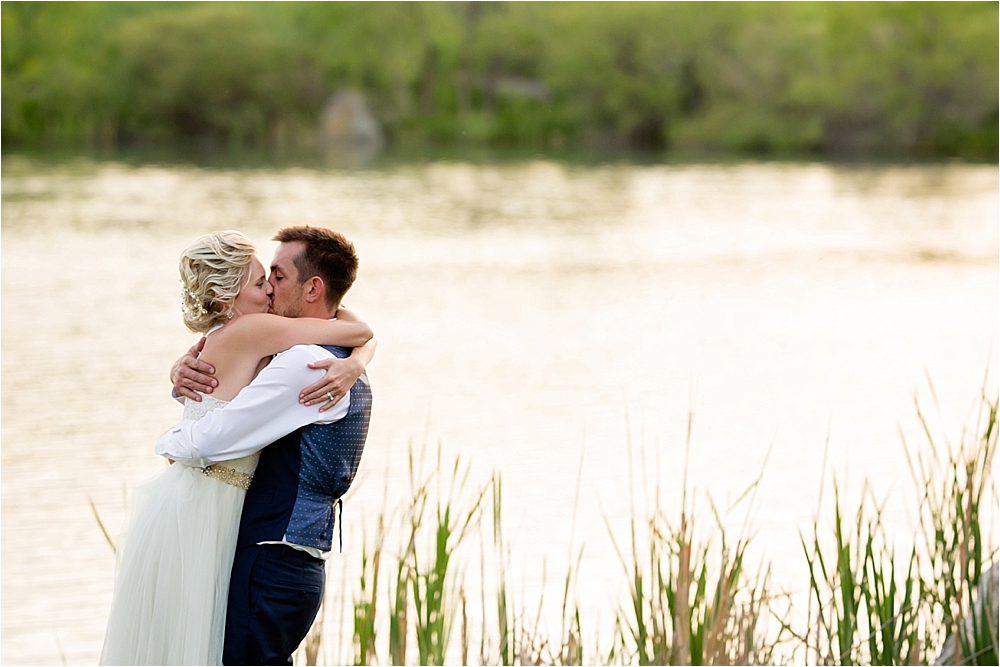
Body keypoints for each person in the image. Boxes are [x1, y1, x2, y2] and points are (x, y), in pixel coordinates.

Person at [99, 229, 374, 666]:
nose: (269, 289)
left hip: (250, 537)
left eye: (276, 277)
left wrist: (173, 441)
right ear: (229, 294)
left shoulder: (304, 360)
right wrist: (361, 353)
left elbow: (211, 437)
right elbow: (356, 327)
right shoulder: (274, 341)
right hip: (217, 513)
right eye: (261, 281)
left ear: (313, 288)